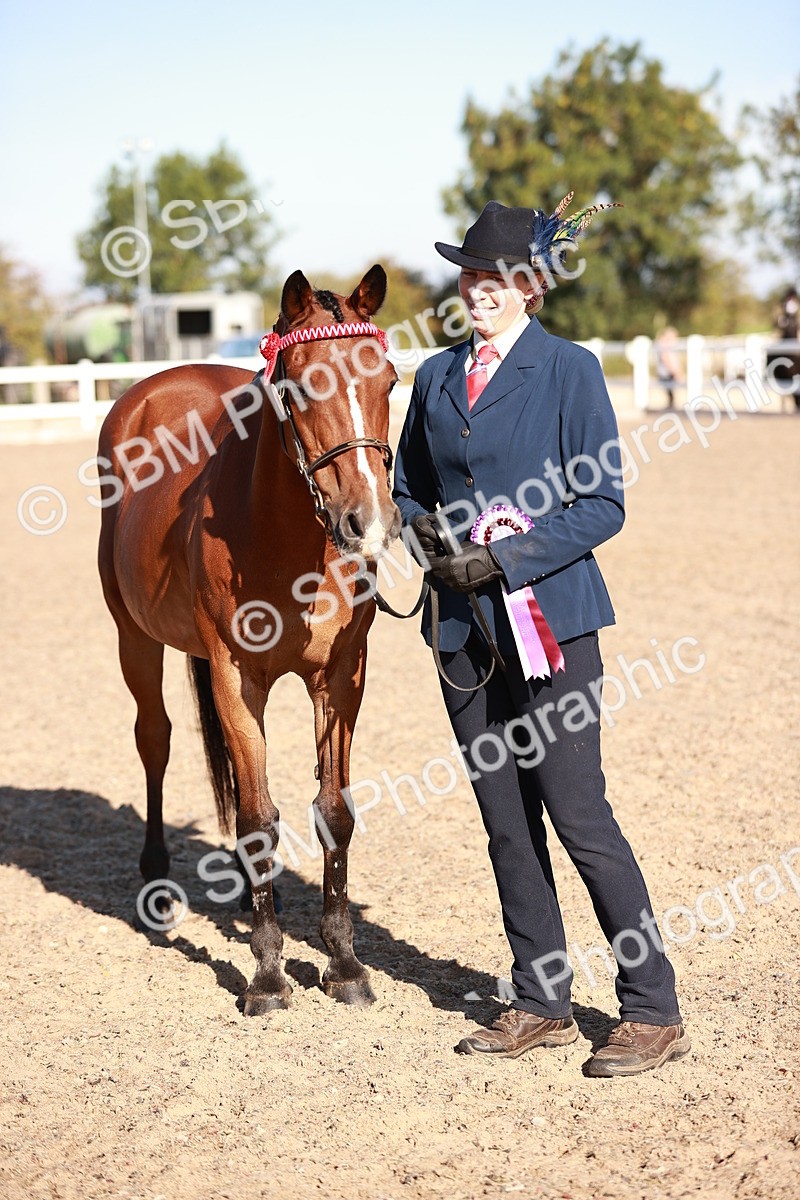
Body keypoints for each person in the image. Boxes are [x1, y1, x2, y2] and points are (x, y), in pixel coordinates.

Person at [392, 197, 689, 1077]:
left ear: (531, 287)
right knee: (505, 822)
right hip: (460, 632)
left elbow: (602, 504)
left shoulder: (570, 370)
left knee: (578, 814)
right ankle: (540, 999)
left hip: (548, 622)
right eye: (469, 277)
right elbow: (407, 486)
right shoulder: (435, 376)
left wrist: (502, 558)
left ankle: (652, 1007)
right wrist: (428, 539)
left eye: (497, 278)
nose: (478, 291)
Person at [653, 325, 684, 409]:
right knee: (670, 391)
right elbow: (666, 359)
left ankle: (671, 406)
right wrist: (675, 371)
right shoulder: (665, 346)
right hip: (667, 372)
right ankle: (671, 407)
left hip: (666, 371)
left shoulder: (663, 345)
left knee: (670, 392)